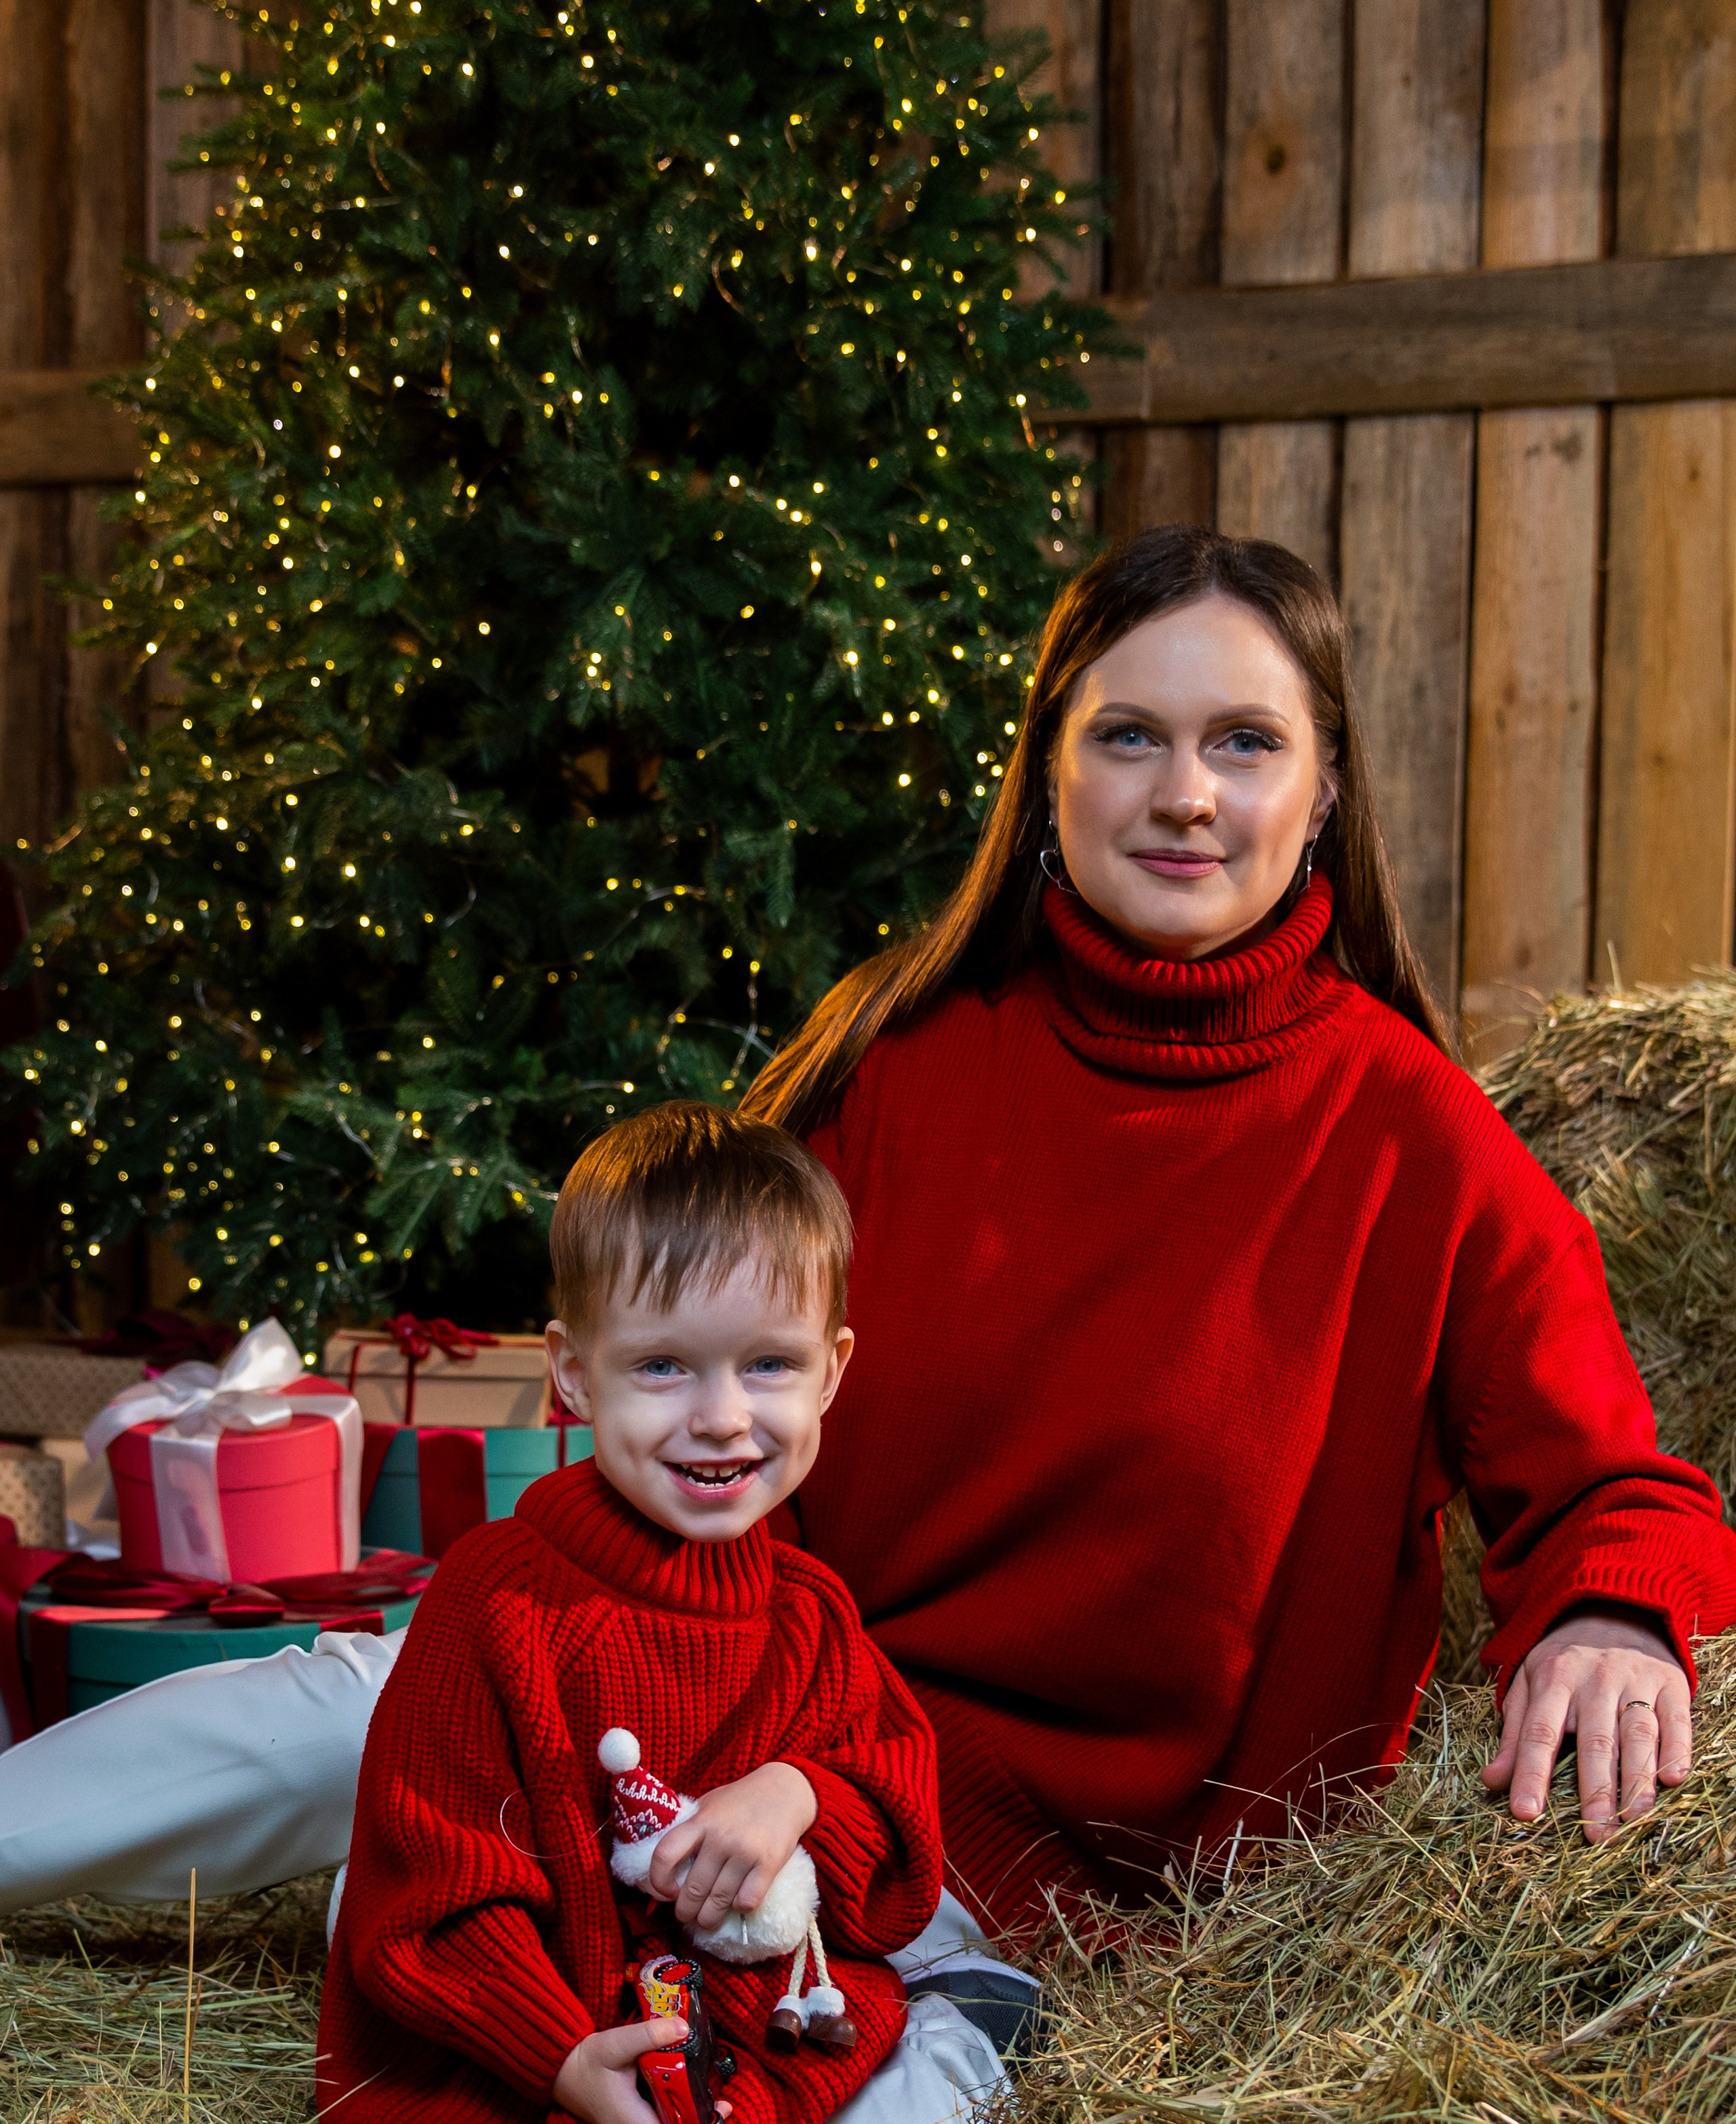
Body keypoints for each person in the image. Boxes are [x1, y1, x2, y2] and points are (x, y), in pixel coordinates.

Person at [0, 524, 1727, 1937]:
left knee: (750, 2026)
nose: (1182, 793)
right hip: (756, 1703)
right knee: (358, 1704)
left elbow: (1610, 1486)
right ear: (1046, 774)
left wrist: (1610, 1616)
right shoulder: (905, 1056)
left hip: (1019, 1868)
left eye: (1242, 742)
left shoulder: (1406, 1131)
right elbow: (700, 1396)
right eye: (1126, 734)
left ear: (1325, 788)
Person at [321, 1101, 1004, 2124]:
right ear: (574, 1374)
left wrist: (799, 1792)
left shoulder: (807, 1608)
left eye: (769, 1365)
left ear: (833, 1370)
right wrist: (565, 2064)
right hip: (538, 2043)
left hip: (730, 2033)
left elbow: (895, 1843)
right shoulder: (502, 1599)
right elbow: (432, 1893)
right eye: (662, 1366)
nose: (724, 1417)